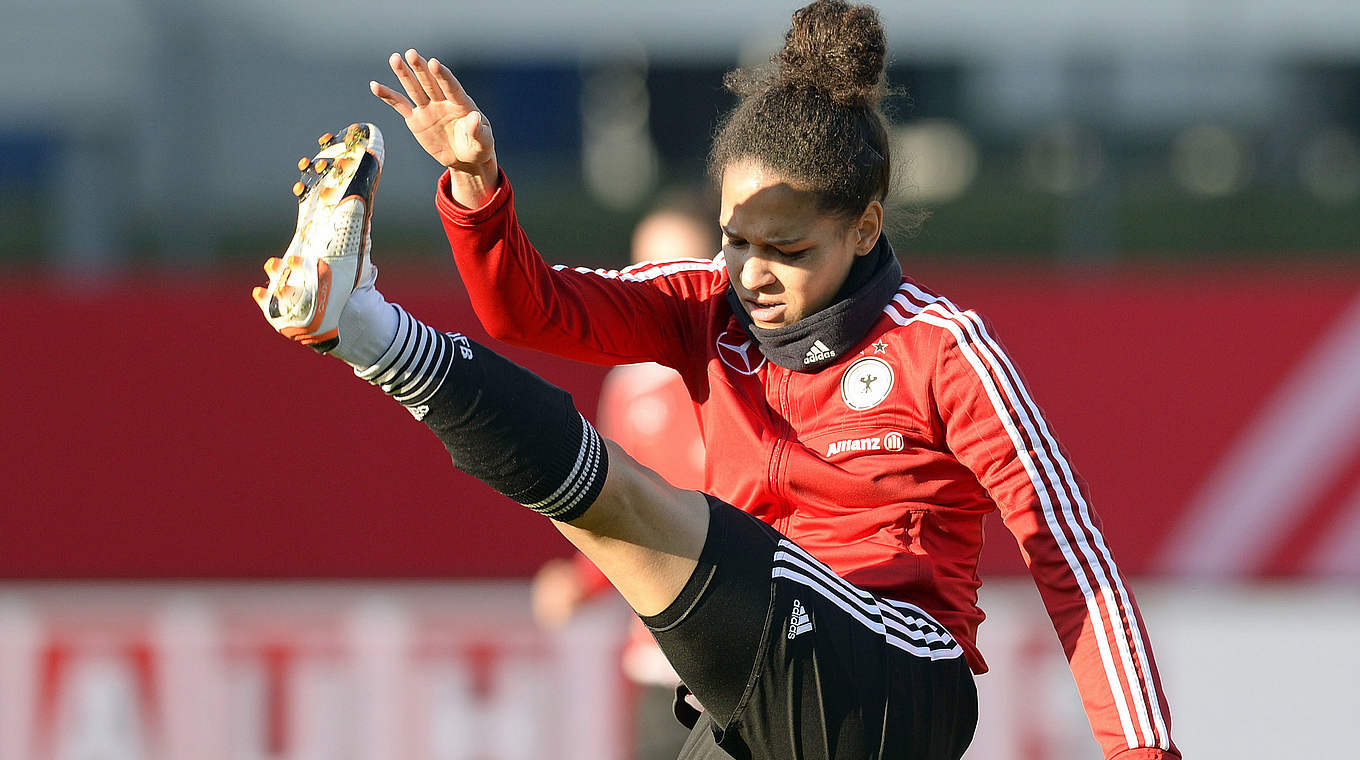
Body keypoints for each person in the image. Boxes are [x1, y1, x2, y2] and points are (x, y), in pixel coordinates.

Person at [254, 2, 1178, 758]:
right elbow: (528, 310)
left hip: (898, 684)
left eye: (787, 250)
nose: (751, 274)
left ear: (865, 228)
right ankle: (366, 325)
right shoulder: (704, 303)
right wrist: (474, 183)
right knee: (619, 513)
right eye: (735, 240)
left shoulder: (944, 349)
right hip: (745, 689)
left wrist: (1144, 754)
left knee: (619, 504)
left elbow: (1074, 560)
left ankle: (368, 329)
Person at [530, 200, 712, 760]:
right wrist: (581, 583)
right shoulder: (630, 388)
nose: (662, 284)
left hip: (750, 656)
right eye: (648, 268)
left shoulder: (746, 368)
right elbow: (627, 515)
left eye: (680, 266)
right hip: (662, 662)